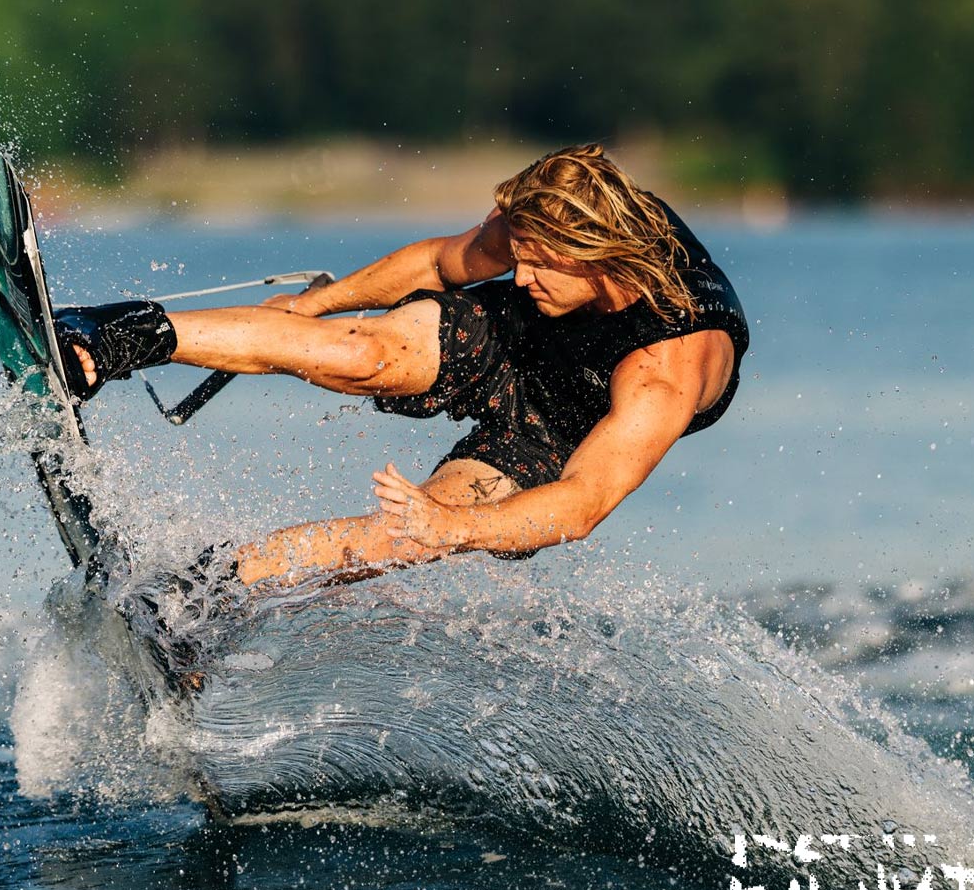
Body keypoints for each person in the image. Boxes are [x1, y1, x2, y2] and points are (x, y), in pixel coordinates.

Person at [54, 143, 749, 596]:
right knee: (364, 354)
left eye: (541, 263)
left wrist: (455, 529)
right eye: (519, 253)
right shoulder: (553, 226)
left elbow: (584, 501)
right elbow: (437, 265)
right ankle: (109, 337)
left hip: (562, 433)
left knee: (407, 534)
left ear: (597, 253)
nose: (522, 273)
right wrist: (314, 305)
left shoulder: (668, 365)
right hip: (513, 344)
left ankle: (200, 596)